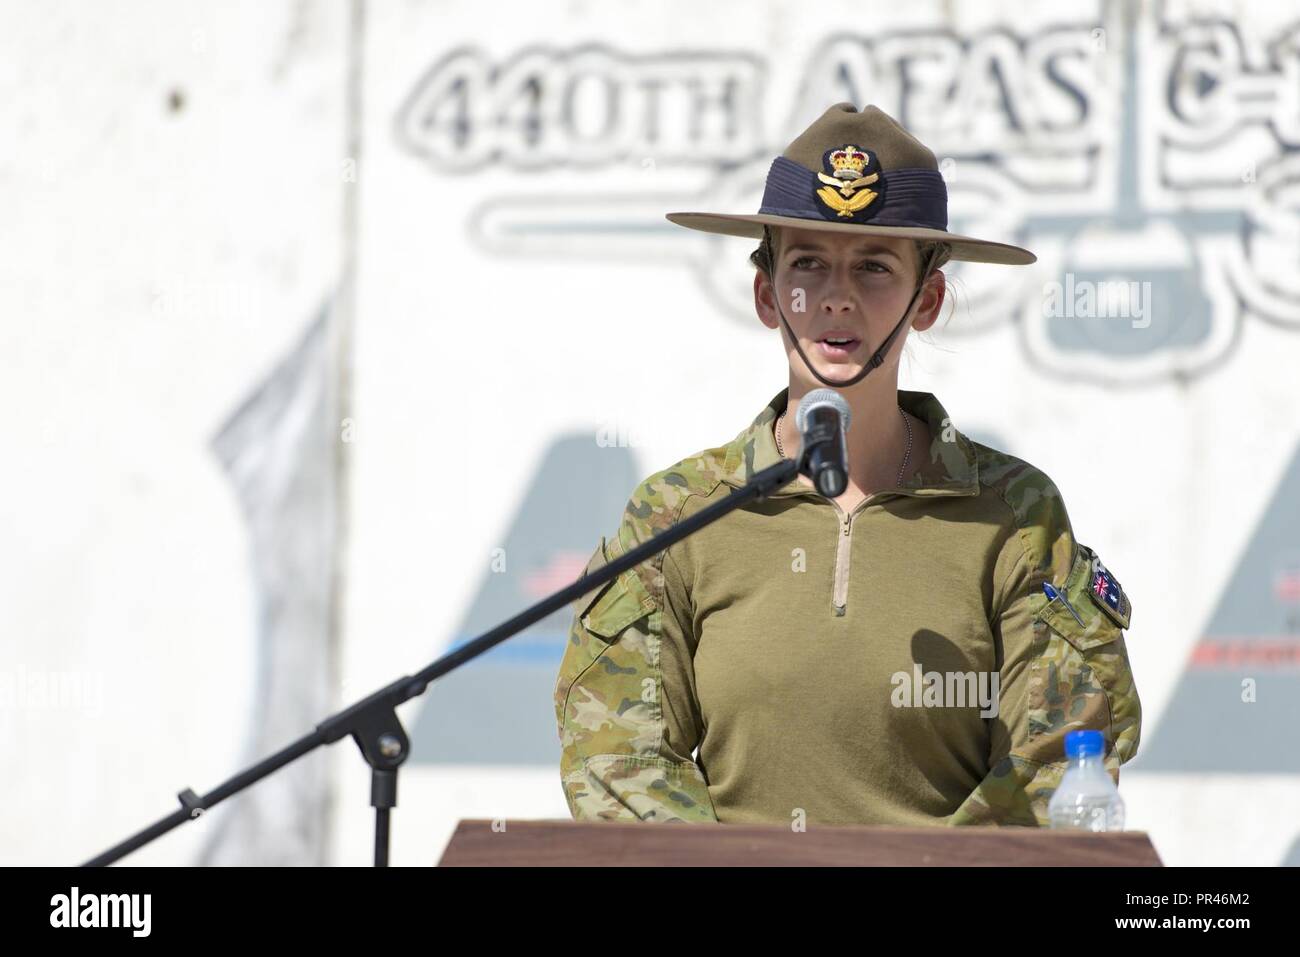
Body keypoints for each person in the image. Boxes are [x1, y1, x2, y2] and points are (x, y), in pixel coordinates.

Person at [553, 102, 1142, 826]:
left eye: (873, 267)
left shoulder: (1014, 515)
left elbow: (1055, 764)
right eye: (807, 263)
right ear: (768, 294)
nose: (837, 296)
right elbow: (619, 756)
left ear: (926, 299)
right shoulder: (679, 513)